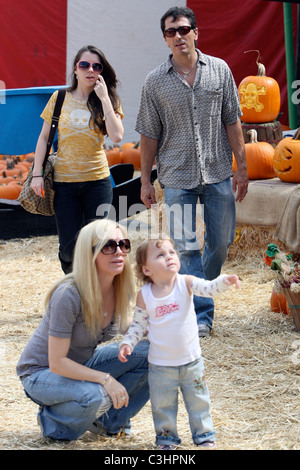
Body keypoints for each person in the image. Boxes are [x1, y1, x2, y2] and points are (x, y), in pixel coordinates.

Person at [135, 7, 248, 337]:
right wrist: (145, 180)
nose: (178, 36)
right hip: (176, 176)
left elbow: (233, 121)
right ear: (165, 39)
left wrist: (242, 168)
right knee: (185, 247)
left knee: (223, 242)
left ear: (196, 32)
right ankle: (202, 315)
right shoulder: (155, 82)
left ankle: (195, 289)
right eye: (171, 32)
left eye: (183, 29)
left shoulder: (220, 70)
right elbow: (148, 135)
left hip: (217, 172)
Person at [16, 219, 149, 441]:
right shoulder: (68, 294)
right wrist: (106, 379)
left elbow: (128, 324)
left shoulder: (118, 288)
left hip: (80, 365)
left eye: (123, 244)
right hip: (42, 373)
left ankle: (108, 423)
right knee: (94, 396)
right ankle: (53, 424)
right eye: (109, 245)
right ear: (90, 254)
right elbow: (57, 362)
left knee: (152, 354)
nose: (119, 251)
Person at [118, 238, 240, 449]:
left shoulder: (185, 282)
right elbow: (138, 325)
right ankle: (166, 439)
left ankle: (204, 436)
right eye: (161, 255)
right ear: (147, 270)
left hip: (191, 362)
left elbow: (208, 288)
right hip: (161, 365)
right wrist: (127, 343)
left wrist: (224, 281)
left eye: (172, 252)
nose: (170, 257)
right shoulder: (145, 295)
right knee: (162, 405)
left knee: (199, 401)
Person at [31, 45, 124, 274]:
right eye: (84, 64)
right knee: (69, 248)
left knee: (99, 243)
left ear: (101, 71)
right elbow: (44, 138)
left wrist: (104, 100)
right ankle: (75, 293)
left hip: (98, 182)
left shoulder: (107, 99)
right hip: (65, 184)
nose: (90, 70)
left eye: (96, 66)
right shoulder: (59, 97)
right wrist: (36, 173)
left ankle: (98, 295)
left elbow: (117, 136)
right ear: (75, 69)